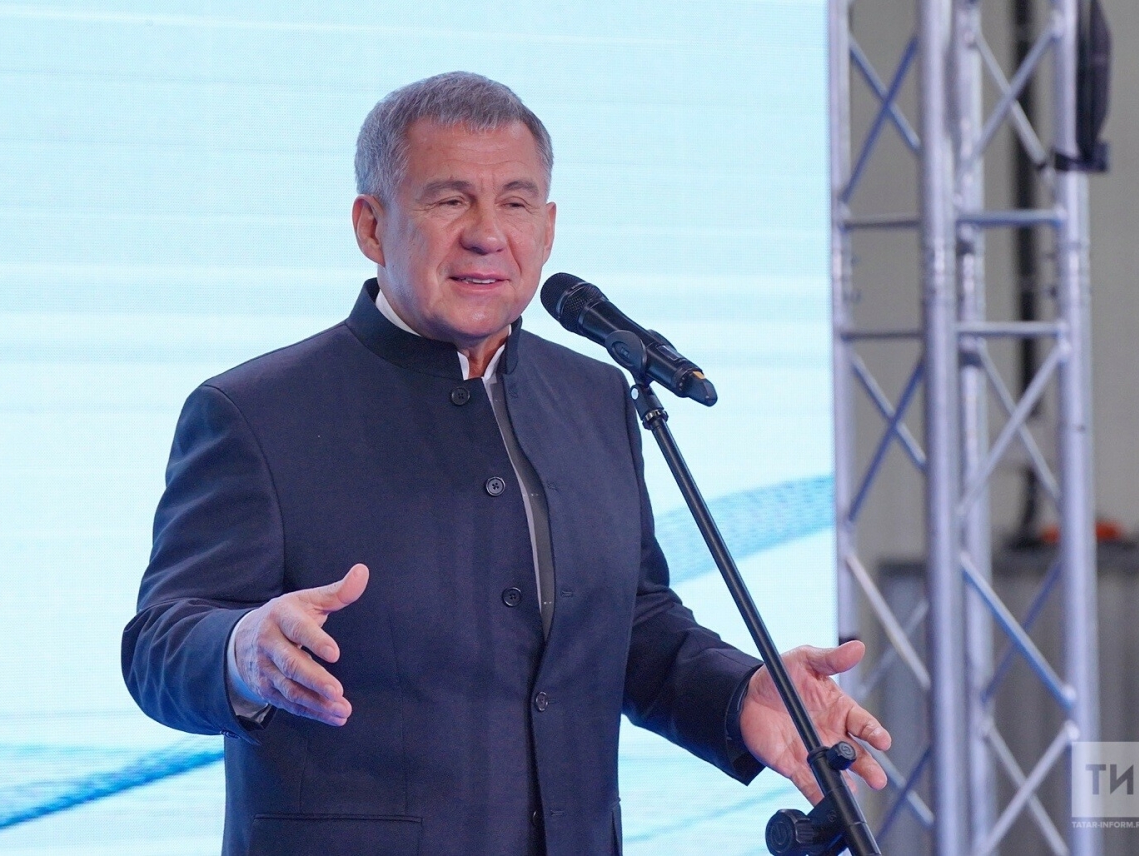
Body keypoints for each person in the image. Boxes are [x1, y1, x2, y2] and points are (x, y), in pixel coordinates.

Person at [122, 71, 891, 856]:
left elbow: (629, 625)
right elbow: (158, 645)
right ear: (371, 226)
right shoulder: (257, 412)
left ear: (548, 227)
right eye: (450, 200)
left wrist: (739, 695)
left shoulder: (597, 397)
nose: (488, 234)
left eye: (516, 203)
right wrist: (240, 649)